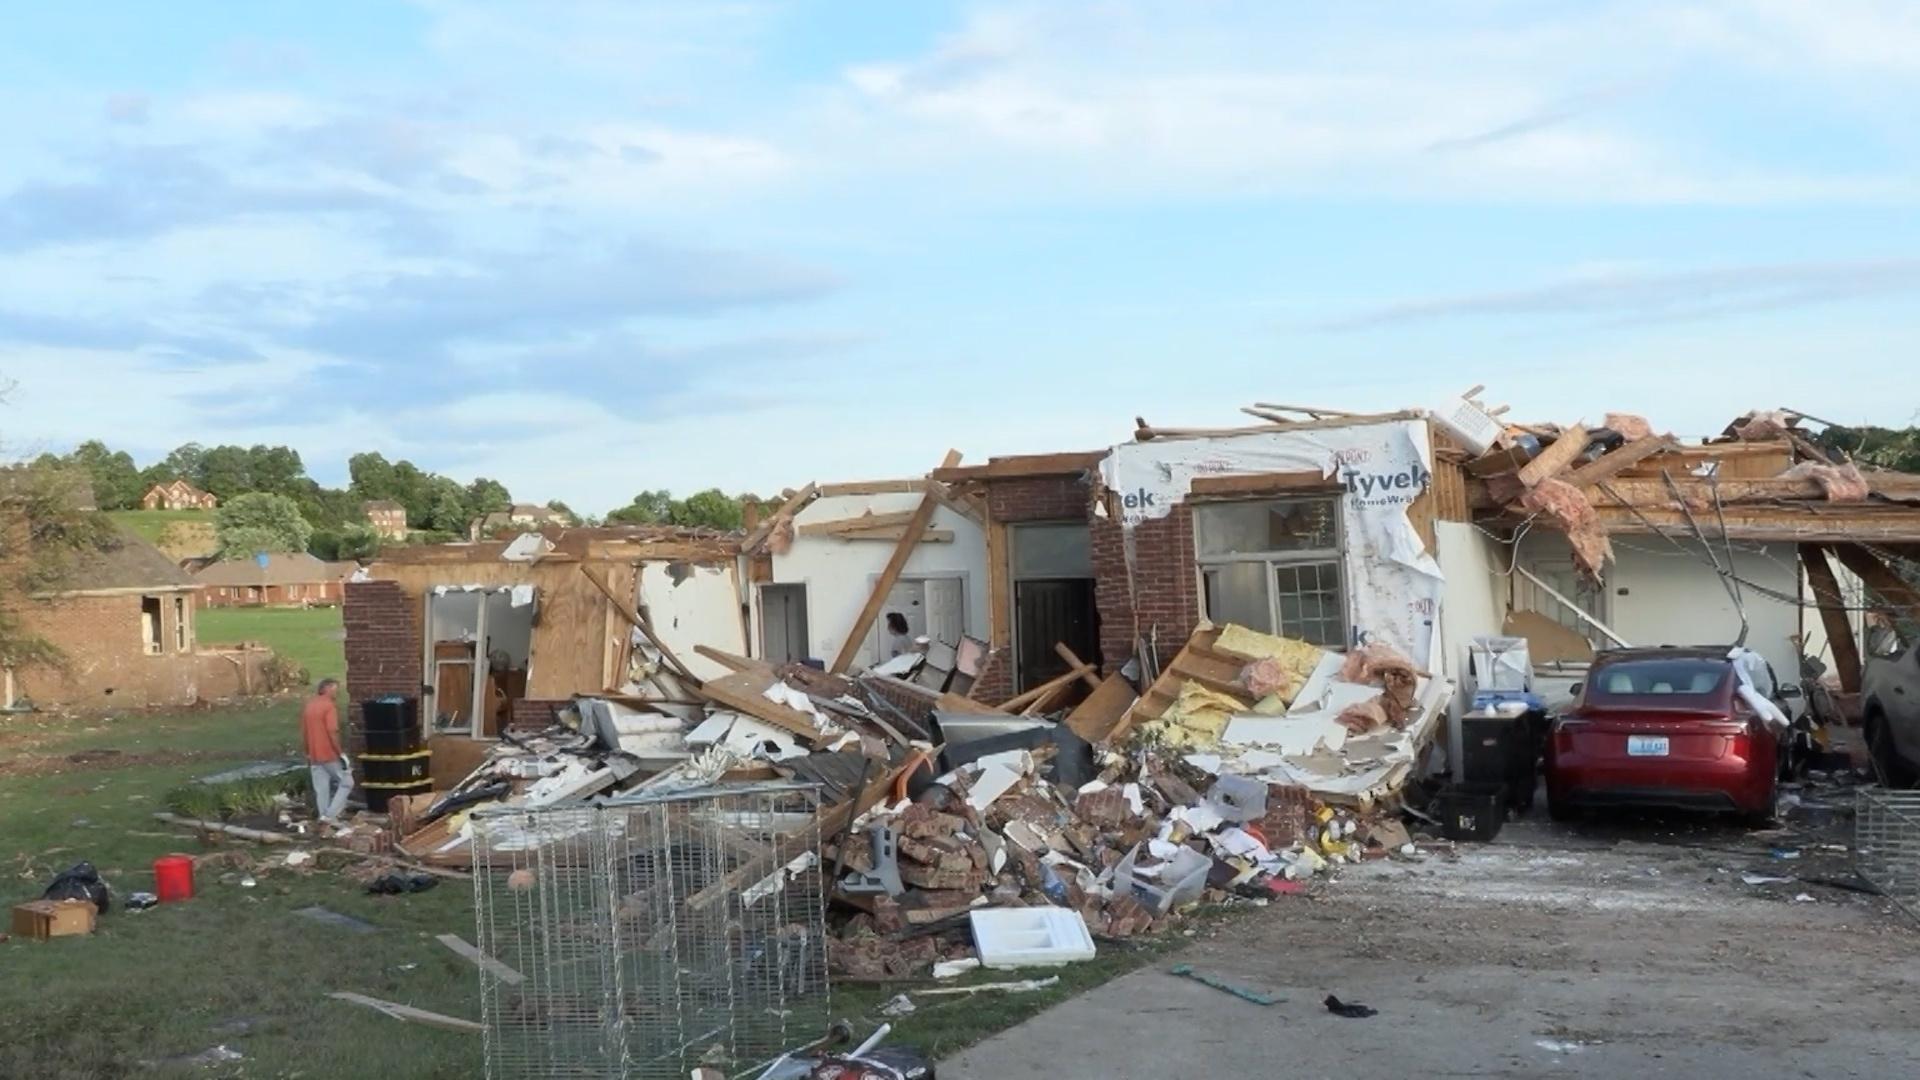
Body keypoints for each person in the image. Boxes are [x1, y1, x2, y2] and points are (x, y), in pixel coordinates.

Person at [303, 678, 353, 825]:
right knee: (347, 783)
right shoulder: (329, 706)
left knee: (321, 789)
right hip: (328, 753)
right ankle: (329, 816)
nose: (336, 693)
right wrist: (340, 753)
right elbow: (332, 731)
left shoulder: (309, 706)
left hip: (314, 755)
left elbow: (305, 732)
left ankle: (323, 818)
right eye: (335, 689)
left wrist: (307, 751)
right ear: (326, 689)